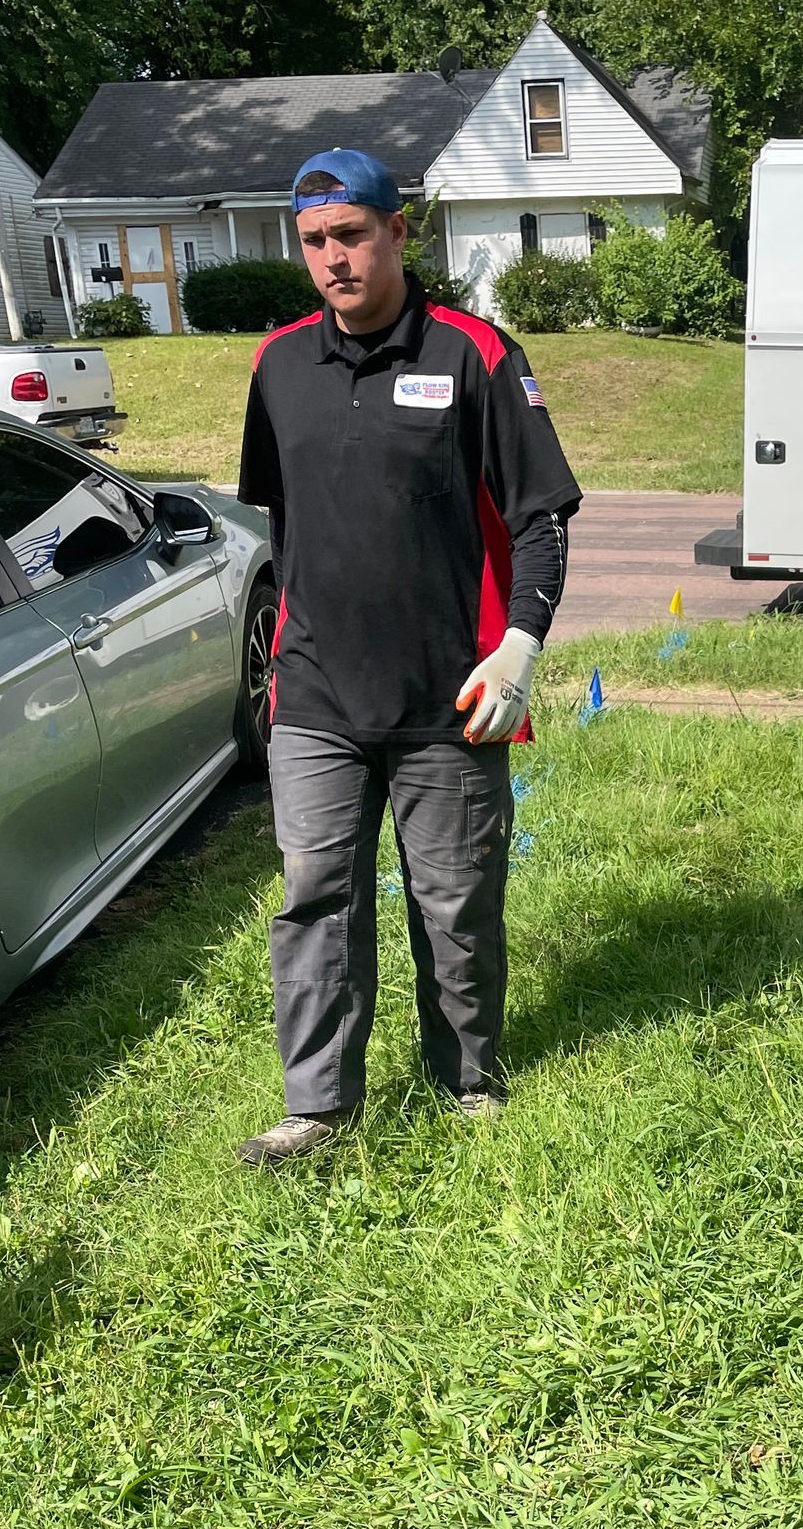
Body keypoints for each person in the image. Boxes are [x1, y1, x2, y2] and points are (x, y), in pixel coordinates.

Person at [233, 147, 581, 1166]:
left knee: (457, 902)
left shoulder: (476, 354)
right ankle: (319, 1109)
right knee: (315, 895)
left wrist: (520, 645)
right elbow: (287, 524)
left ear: (397, 231)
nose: (333, 259)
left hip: (452, 694)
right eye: (313, 242)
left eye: (350, 235)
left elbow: (543, 518)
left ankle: (466, 1080)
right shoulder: (279, 365)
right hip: (316, 695)